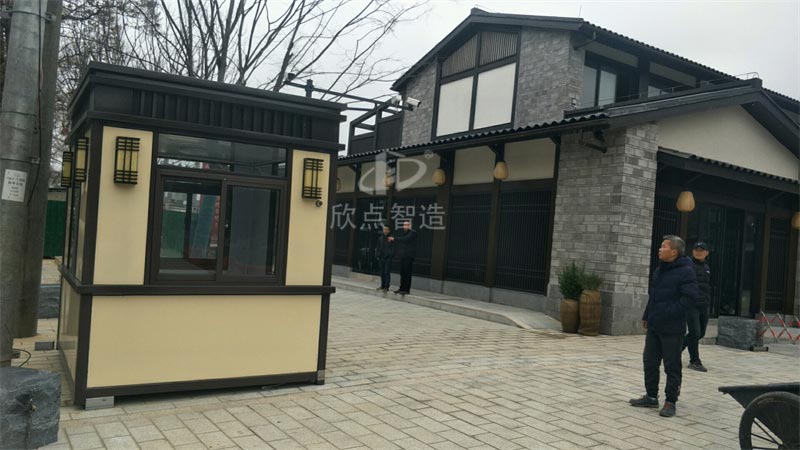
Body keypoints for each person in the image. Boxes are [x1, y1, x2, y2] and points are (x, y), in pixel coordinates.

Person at [630, 235, 698, 418]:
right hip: (655, 325)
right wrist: (647, 315)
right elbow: (654, 296)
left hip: (673, 327)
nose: (659, 249)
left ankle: (670, 401)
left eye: (663, 246)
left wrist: (668, 311)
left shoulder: (686, 271)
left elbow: (690, 299)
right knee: (650, 361)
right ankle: (651, 396)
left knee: (671, 365)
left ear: (674, 251)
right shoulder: (660, 270)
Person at [684, 241, 711, 372]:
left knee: (700, 333)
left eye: (701, 250)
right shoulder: (688, 265)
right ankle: (694, 361)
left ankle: (675, 348)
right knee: (695, 332)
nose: (698, 252)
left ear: (706, 253)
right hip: (691, 305)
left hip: (704, 305)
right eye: (696, 250)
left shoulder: (707, 267)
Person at [388, 219, 417, 295]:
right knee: (402, 273)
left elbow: (405, 239)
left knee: (407, 273)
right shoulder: (404, 233)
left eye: (407, 225)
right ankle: (401, 288)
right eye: (404, 225)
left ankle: (406, 290)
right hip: (403, 256)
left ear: (410, 225)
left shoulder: (413, 233)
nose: (405, 226)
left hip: (409, 256)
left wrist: (394, 239)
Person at [375, 225, 394, 291]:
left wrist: (390, 255)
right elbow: (378, 247)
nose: (385, 231)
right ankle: (382, 286)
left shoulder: (391, 238)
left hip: (388, 258)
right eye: (384, 229)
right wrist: (377, 255)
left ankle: (386, 287)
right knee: (382, 272)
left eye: (386, 229)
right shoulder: (380, 238)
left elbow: (393, 248)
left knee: (386, 272)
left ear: (389, 230)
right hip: (381, 258)